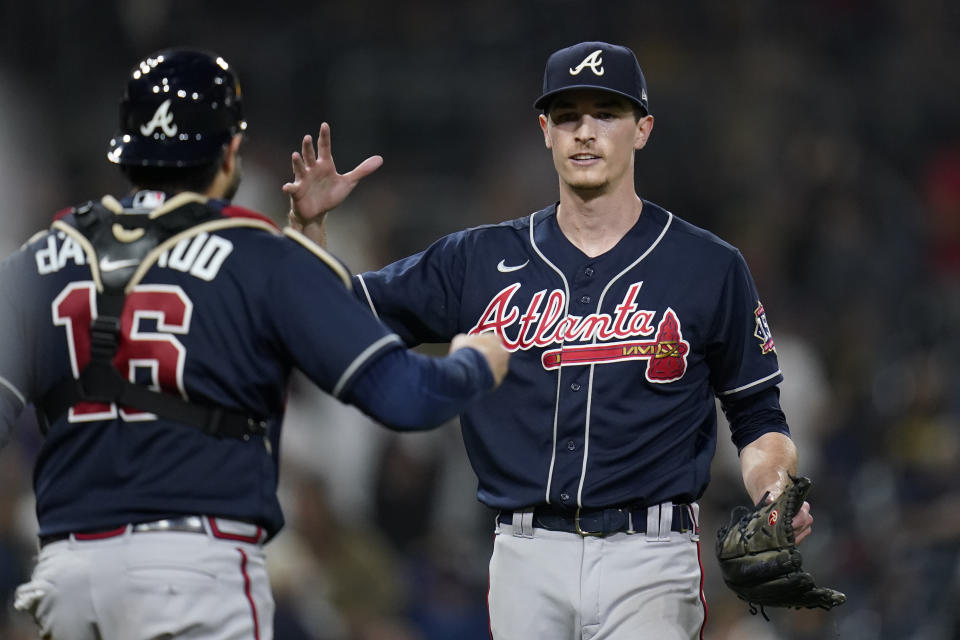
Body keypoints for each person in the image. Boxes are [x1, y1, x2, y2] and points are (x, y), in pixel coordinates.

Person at [286, 41, 815, 639]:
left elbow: (756, 413)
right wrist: (308, 228)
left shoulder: (708, 266)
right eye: (567, 116)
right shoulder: (478, 259)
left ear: (642, 129)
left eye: (606, 114)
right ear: (544, 131)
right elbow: (329, 317)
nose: (584, 132)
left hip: (652, 557)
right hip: (525, 554)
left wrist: (777, 487)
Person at [0, 48, 509, 640]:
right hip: (192, 572)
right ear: (229, 149)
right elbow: (406, 398)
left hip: (68, 575)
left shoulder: (40, 256)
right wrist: (476, 361)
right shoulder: (257, 253)